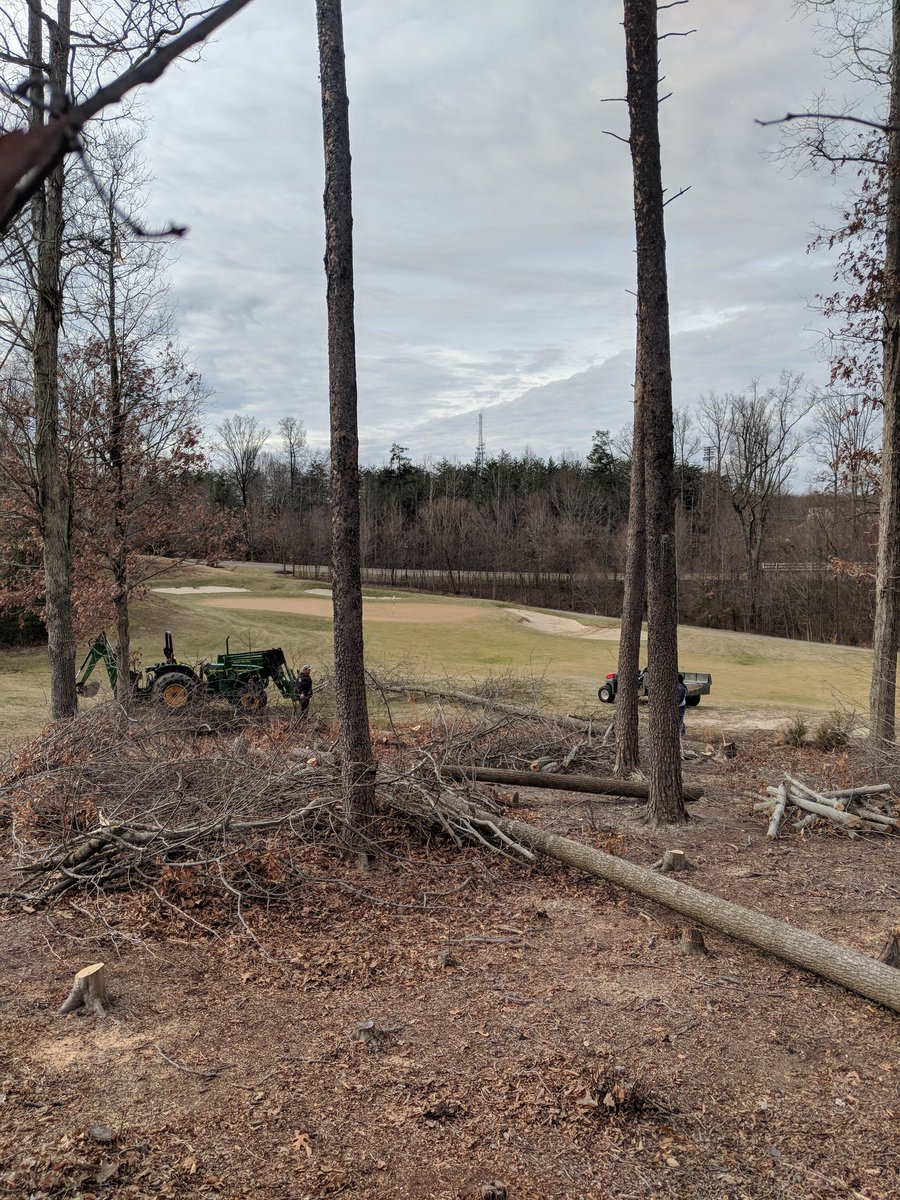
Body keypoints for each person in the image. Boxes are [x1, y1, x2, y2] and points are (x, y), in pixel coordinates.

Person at [677, 672, 687, 737]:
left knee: (679, 719)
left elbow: (680, 699)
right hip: (679, 705)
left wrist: (675, 705)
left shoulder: (681, 688)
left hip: (680, 706)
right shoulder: (680, 686)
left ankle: (680, 732)